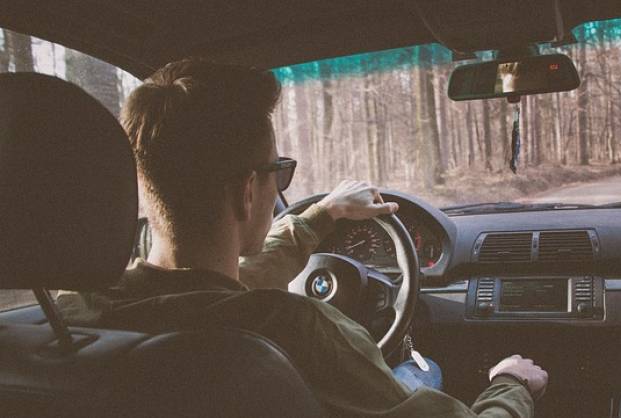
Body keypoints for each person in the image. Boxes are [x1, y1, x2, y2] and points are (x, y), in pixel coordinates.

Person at [58, 58, 548, 417]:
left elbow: (228, 283)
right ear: (248, 192)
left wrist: (324, 214)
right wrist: (511, 385)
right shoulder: (295, 330)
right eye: (278, 171)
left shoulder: (68, 317)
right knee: (426, 372)